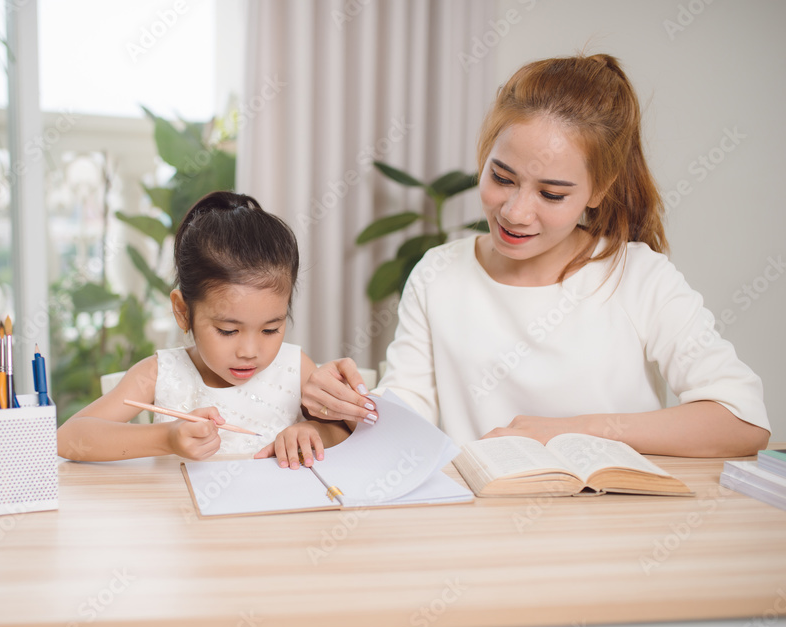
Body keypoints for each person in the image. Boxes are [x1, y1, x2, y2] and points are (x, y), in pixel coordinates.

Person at [303, 53, 770, 458]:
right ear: (484, 155)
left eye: (551, 194)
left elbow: (741, 421)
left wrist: (569, 431)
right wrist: (347, 407)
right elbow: (408, 412)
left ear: (598, 190)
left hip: (618, 531)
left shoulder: (640, 277)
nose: (515, 212)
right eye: (502, 178)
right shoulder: (439, 273)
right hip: (479, 529)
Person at [57, 191, 347, 468]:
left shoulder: (295, 368)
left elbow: (345, 433)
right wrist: (167, 438)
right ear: (183, 312)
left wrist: (313, 432)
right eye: (228, 331)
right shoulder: (159, 374)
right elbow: (68, 439)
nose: (249, 352)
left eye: (270, 329)